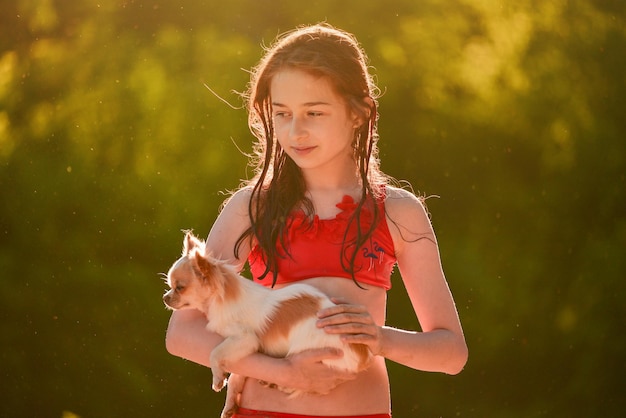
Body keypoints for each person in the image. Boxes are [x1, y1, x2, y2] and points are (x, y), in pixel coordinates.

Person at [165, 23, 468, 417]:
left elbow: (451, 353)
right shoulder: (252, 209)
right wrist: (283, 371)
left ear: (360, 112)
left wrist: (378, 339)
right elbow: (181, 333)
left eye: (314, 112)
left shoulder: (398, 212)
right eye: (282, 114)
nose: (296, 130)